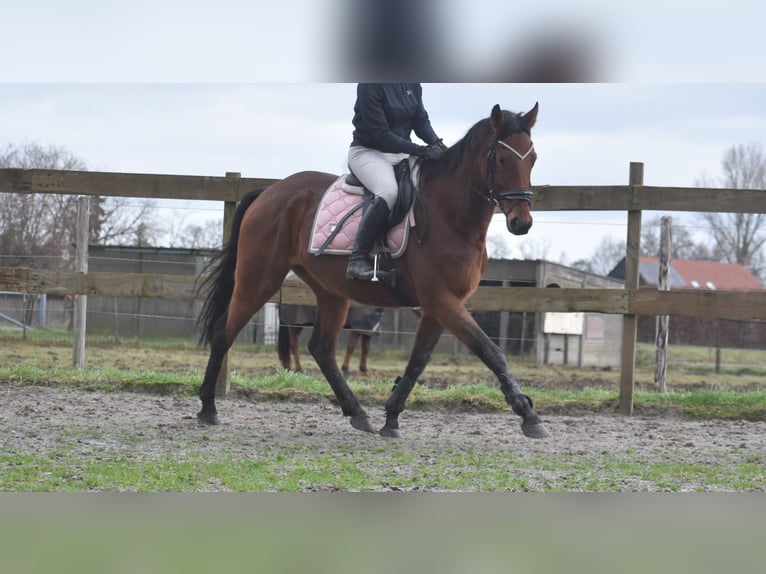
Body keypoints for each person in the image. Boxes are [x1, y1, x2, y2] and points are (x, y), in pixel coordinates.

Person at [346, 83, 447, 280]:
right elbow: (380, 133)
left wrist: (438, 145)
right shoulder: (369, 85)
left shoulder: (413, 84)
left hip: (401, 154)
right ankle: (357, 259)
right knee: (388, 191)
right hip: (368, 152)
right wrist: (421, 151)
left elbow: (420, 121)